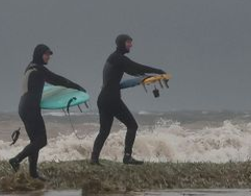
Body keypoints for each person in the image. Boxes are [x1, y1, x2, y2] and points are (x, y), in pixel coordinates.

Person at [9, 44, 84, 180]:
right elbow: (57, 80)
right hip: (31, 108)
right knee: (42, 141)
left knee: (35, 141)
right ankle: (17, 159)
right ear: (39, 54)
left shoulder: (30, 67)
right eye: (46, 54)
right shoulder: (38, 70)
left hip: (24, 106)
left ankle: (33, 173)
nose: (49, 57)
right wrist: (77, 87)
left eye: (49, 54)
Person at [90, 34, 167, 165]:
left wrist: (149, 76)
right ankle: (127, 157)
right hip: (112, 99)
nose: (131, 45)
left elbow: (133, 72)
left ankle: (94, 159)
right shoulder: (118, 58)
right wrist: (158, 71)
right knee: (132, 126)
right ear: (121, 43)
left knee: (104, 131)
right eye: (128, 42)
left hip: (103, 98)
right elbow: (137, 67)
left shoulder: (114, 58)